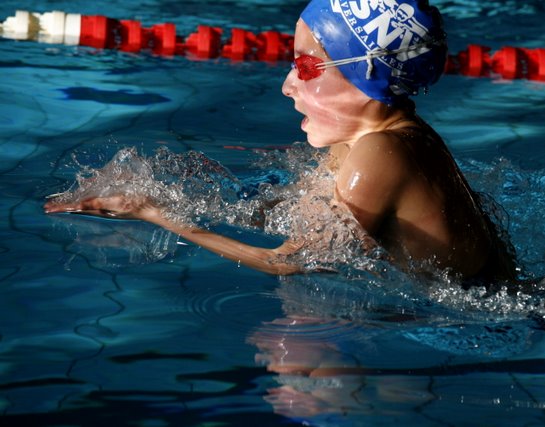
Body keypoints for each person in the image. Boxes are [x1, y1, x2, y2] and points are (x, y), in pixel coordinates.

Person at [44, 0, 516, 281]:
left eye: (306, 66)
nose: (288, 85)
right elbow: (302, 217)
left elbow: (288, 263)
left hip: (485, 318)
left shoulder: (380, 153)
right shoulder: (367, 139)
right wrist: (196, 198)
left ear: (367, 75)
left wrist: (152, 213)